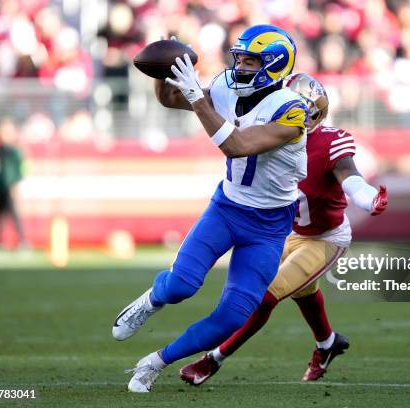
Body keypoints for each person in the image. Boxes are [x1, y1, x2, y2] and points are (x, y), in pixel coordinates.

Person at [112, 25, 310, 393]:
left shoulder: (292, 110)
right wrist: (167, 67)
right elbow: (171, 99)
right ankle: (151, 299)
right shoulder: (223, 88)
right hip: (228, 208)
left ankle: (154, 362)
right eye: (240, 58)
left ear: (275, 66)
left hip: (268, 226)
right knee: (181, 286)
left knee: (233, 317)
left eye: (251, 61)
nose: (241, 67)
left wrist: (197, 98)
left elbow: (236, 145)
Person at [179, 73, 388, 385]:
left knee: (265, 295)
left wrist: (368, 196)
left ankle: (214, 359)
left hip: (324, 238)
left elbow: (350, 176)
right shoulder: (264, 129)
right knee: (302, 290)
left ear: (312, 114)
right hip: (282, 230)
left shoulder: (330, 142)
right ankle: (328, 344)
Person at [0, 118, 27, 250]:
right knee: (0, 216)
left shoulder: (15, 152)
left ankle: (22, 241)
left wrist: (16, 184)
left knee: (14, 214)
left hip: (11, 188)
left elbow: (21, 170)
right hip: (0, 189)